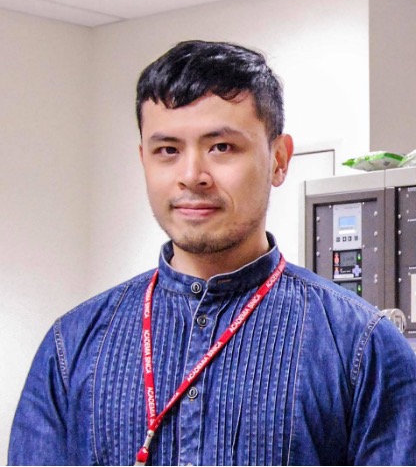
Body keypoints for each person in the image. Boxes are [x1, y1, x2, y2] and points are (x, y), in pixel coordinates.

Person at [8, 40, 416, 466]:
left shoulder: (359, 347)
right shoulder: (73, 345)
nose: (192, 176)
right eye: (168, 150)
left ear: (279, 159)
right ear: (144, 160)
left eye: (221, 147)